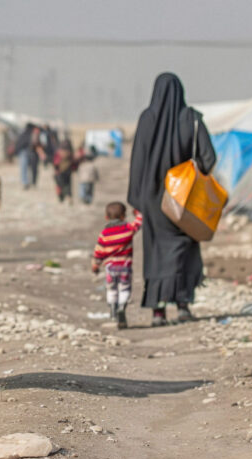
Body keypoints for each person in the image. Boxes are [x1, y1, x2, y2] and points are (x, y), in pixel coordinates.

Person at [128, 72, 216, 326]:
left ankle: (157, 311)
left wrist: (138, 199)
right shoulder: (191, 118)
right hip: (185, 199)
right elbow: (209, 159)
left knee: (156, 252)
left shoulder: (147, 118)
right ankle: (183, 305)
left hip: (154, 200)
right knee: (185, 249)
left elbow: (138, 162)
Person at [92, 202, 142, 329]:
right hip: (125, 266)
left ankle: (113, 311)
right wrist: (138, 212)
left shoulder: (104, 234)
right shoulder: (128, 229)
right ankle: (122, 307)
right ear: (123, 216)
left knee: (112, 289)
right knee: (124, 288)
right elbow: (139, 223)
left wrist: (96, 265)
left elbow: (98, 252)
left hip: (110, 268)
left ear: (106, 217)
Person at [16, 124, 46, 189]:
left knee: (27, 168)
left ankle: (28, 182)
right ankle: (27, 182)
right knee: (27, 168)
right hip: (26, 152)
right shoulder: (30, 134)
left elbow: (37, 144)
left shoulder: (32, 134)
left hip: (30, 152)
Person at [53, 139, 75, 203]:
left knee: (59, 185)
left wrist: (56, 169)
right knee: (68, 185)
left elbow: (56, 162)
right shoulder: (70, 152)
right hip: (68, 171)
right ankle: (68, 197)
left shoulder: (59, 152)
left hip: (60, 171)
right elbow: (73, 161)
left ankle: (61, 197)